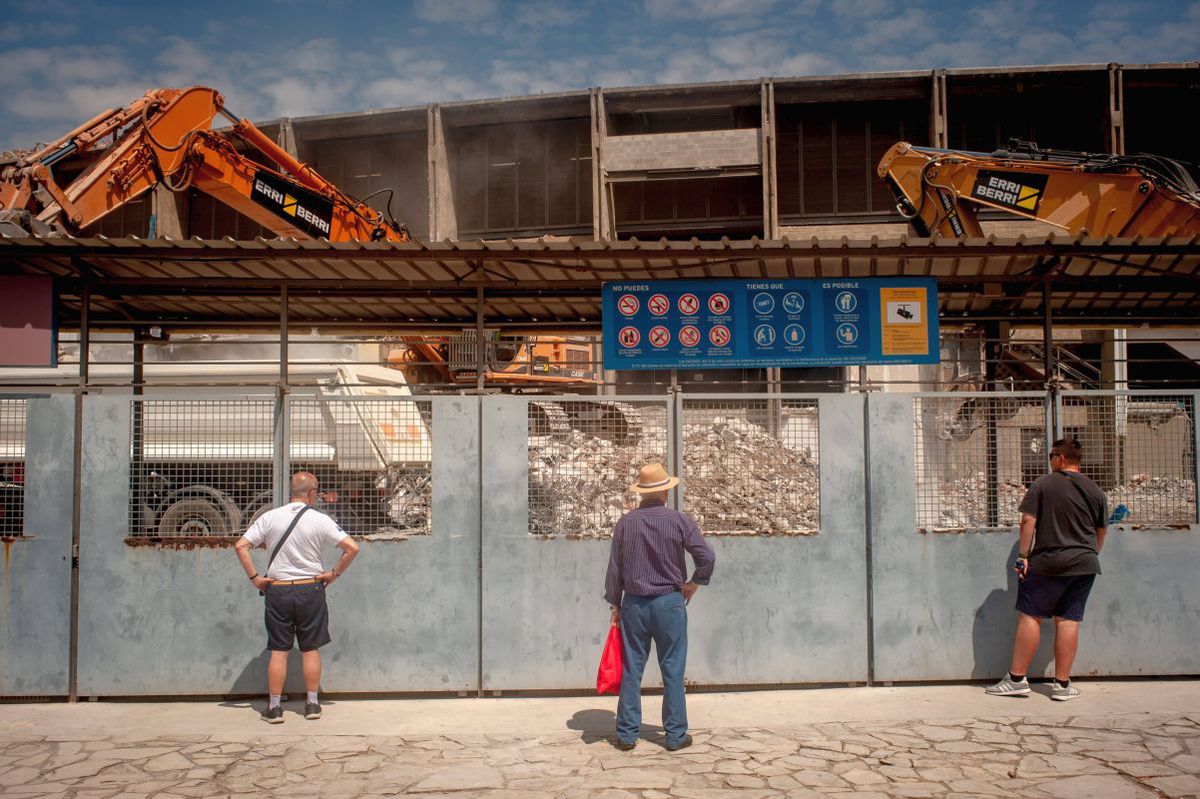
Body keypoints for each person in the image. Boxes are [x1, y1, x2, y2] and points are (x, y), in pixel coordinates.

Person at [604, 463, 715, 751]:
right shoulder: (679, 521)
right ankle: (675, 736)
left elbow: (615, 569)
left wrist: (615, 602)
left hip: (634, 605)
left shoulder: (626, 524)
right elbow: (706, 557)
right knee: (673, 669)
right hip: (669, 603)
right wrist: (694, 583)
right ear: (666, 492)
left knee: (632, 668)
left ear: (641, 493)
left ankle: (627, 735)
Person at [986, 438, 1106, 701]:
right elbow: (1101, 529)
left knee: (1031, 616)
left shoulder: (1043, 484)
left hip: (1049, 561)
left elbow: (1028, 520)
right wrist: (1091, 553)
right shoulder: (1095, 490)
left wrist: (1023, 556)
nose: (1050, 460)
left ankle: (1017, 679)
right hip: (1084, 563)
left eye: (1051, 455)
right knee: (1069, 620)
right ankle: (1062, 685)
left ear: (1061, 458)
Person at [234, 471, 359, 723]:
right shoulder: (320, 520)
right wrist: (333, 574)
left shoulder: (270, 517)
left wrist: (255, 578)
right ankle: (312, 704)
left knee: (279, 650)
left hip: (278, 589)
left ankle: (274, 708)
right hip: (310, 589)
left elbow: (241, 546)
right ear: (311, 493)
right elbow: (352, 548)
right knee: (310, 648)